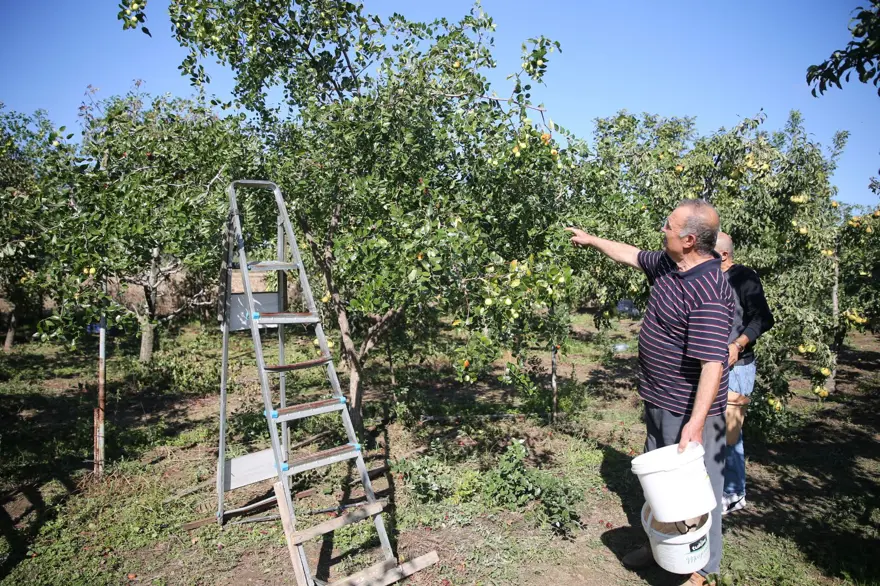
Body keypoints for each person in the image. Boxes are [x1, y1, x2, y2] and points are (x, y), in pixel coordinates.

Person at [566, 199, 733, 586]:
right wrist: (592, 240)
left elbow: (712, 365)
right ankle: (660, 549)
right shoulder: (670, 264)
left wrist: (694, 423)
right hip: (660, 398)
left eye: (669, 227)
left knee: (695, 488)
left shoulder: (708, 290)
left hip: (690, 410)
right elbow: (630, 255)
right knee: (659, 483)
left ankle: (700, 568)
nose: (663, 230)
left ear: (689, 239)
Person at [714, 232, 774, 515]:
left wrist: (738, 344)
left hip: (737, 367)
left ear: (724, 254)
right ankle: (717, 484)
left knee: (730, 431)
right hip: (709, 366)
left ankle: (734, 492)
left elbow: (763, 318)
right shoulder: (708, 276)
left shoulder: (743, 278)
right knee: (711, 429)